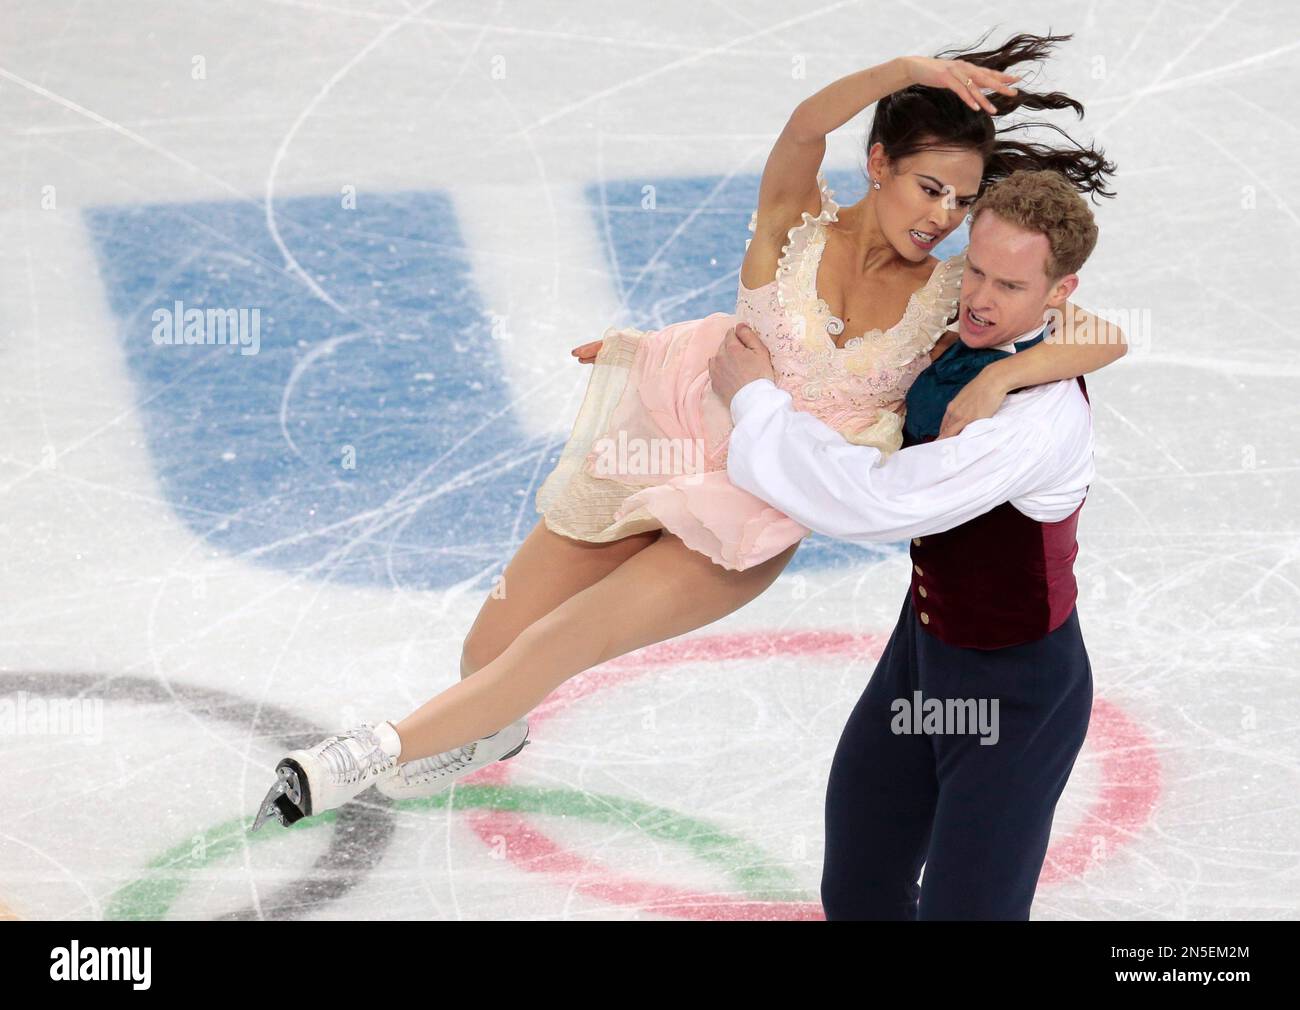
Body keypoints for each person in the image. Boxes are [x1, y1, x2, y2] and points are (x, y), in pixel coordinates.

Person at [251, 33, 1124, 834]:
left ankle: (356, 757)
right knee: (490, 648)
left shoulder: (948, 300)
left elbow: (1102, 335)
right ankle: (491, 728)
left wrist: (1009, 371)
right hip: (668, 430)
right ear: (878, 162)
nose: (941, 216)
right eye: (928, 187)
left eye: (961, 201)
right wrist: (905, 72)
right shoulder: (792, 220)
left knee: (566, 640)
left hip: (750, 505)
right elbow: (800, 125)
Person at [712, 168, 1118, 920]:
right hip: (923, 655)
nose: (982, 301)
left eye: (1012, 287)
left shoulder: (1035, 421)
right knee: (861, 886)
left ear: (1061, 294)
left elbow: (879, 497)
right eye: (978, 272)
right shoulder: (959, 326)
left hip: (1014, 693)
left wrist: (753, 404)